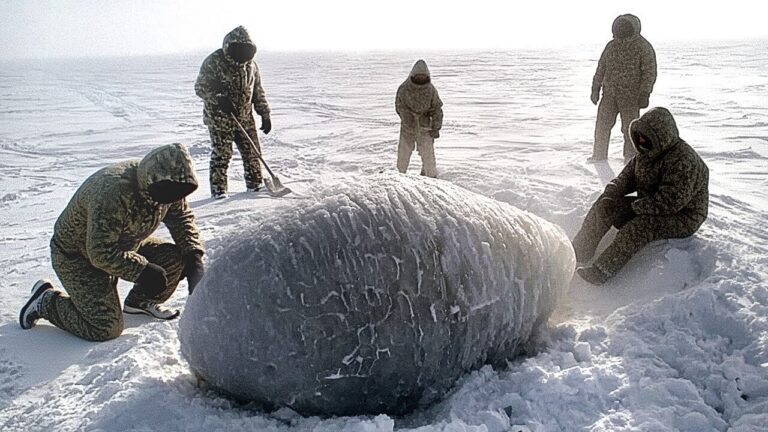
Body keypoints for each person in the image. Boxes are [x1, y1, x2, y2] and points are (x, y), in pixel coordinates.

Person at [19, 143, 206, 342]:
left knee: (175, 259)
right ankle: (45, 302)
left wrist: (193, 255)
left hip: (124, 243)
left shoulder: (170, 181)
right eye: (170, 194)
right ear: (155, 180)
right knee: (105, 327)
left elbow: (181, 218)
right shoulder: (113, 192)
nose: (172, 199)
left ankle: (139, 302)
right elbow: (100, 252)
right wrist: (142, 270)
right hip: (77, 256)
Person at [572, 107, 709, 285]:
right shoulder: (646, 153)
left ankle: (602, 270)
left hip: (684, 215)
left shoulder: (684, 161)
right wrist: (611, 195)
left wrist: (633, 209)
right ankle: (580, 251)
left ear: (660, 137)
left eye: (646, 137)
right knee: (604, 205)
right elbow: (624, 180)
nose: (641, 140)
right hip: (649, 200)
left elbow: (671, 202)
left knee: (642, 225)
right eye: (639, 136)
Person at [195, 25, 271, 199]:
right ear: (230, 46)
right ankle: (219, 192)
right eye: (239, 49)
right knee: (222, 156)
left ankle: (255, 186)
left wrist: (264, 113)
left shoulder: (251, 66)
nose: (242, 54)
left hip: (245, 117)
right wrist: (219, 98)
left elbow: (257, 90)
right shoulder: (214, 62)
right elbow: (200, 87)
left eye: (246, 49)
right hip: (220, 119)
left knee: (253, 153)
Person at [590, 14, 657, 162]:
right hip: (609, 95)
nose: (620, 29)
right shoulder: (611, 46)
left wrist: (645, 93)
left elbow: (649, 72)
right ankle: (599, 156)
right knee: (602, 127)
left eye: (624, 26)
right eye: (618, 26)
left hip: (631, 97)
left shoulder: (643, 46)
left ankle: (630, 158)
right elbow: (601, 68)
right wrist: (595, 88)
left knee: (630, 130)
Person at [396, 59, 443, 178]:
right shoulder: (404, 89)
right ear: (413, 75)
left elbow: (437, 109)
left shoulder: (431, 90)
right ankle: (399, 177)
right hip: (408, 127)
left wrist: (436, 127)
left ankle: (430, 176)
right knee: (403, 154)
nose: (421, 78)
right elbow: (399, 106)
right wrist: (408, 118)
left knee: (428, 155)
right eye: (418, 76)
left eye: (423, 76)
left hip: (425, 127)